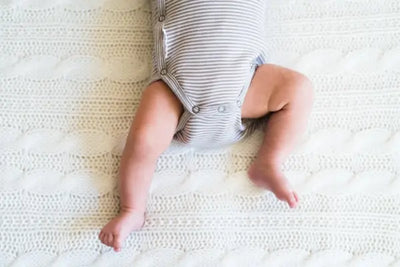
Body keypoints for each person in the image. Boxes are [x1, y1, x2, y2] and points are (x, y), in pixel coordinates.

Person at [99, 0, 314, 252]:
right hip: (176, 89)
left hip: (246, 85)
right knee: (144, 140)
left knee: (298, 88)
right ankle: (132, 210)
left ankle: (269, 162)